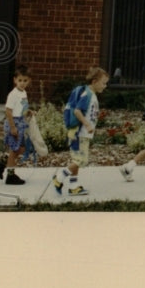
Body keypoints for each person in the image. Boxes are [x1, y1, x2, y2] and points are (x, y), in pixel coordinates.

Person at [52, 66, 109, 197]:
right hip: (80, 134)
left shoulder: (90, 94)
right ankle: (59, 177)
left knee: (77, 160)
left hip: (83, 134)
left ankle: (73, 187)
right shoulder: (87, 94)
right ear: (94, 81)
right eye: (103, 83)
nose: (105, 86)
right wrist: (87, 124)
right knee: (81, 161)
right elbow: (77, 111)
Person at [0, 65, 31, 185]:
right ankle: (10, 176)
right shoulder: (13, 94)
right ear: (15, 80)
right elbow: (8, 111)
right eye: (20, 80)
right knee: (14, 150)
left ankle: (2, 163)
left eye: (25, 80)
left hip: (21, 122)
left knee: (22, 148)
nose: (22, 83)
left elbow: (23, 107)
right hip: (13, 123)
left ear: (29, 81)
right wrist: (13, 127)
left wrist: (29, 112)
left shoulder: (24, 93)